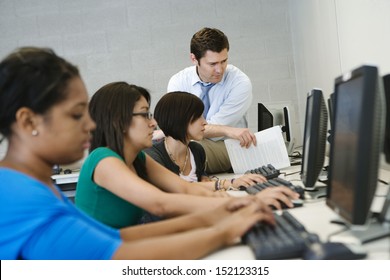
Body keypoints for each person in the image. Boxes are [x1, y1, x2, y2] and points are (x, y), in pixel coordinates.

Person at [0, 46, 275, 260]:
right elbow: (125, 255)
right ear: (28, 122)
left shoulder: (32, 186)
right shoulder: (19, 197)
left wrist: (221, 213)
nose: (90, 125)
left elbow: (117, 237)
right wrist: (224, 229)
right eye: (75, 115)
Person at [75, 82, 296, 228]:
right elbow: (160, 204)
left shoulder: (138, 159)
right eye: (144, 115)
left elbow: (185, 188)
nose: (153, 123)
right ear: (118, 122)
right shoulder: (103, 160)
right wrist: (248, 203)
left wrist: (244, 198)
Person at [146, 91, 298, 195]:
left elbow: (200, 177)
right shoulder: (154, 157)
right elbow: (178, 188)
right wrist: (226, 183)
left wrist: (207, 181)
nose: (204, 122)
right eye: (198, 117)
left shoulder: (196, 150)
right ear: (180, 121)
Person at [159, 27, 256, 174]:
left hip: (225, 144)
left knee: (187, 150)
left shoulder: (240, 82)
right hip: (189, 140)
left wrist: (224, 130)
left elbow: (199, 128)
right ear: (194, 59)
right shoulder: (178, 81)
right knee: (158, 147)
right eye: (212, 64)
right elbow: (178, 126)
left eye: (224, 61)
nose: (220, 69)